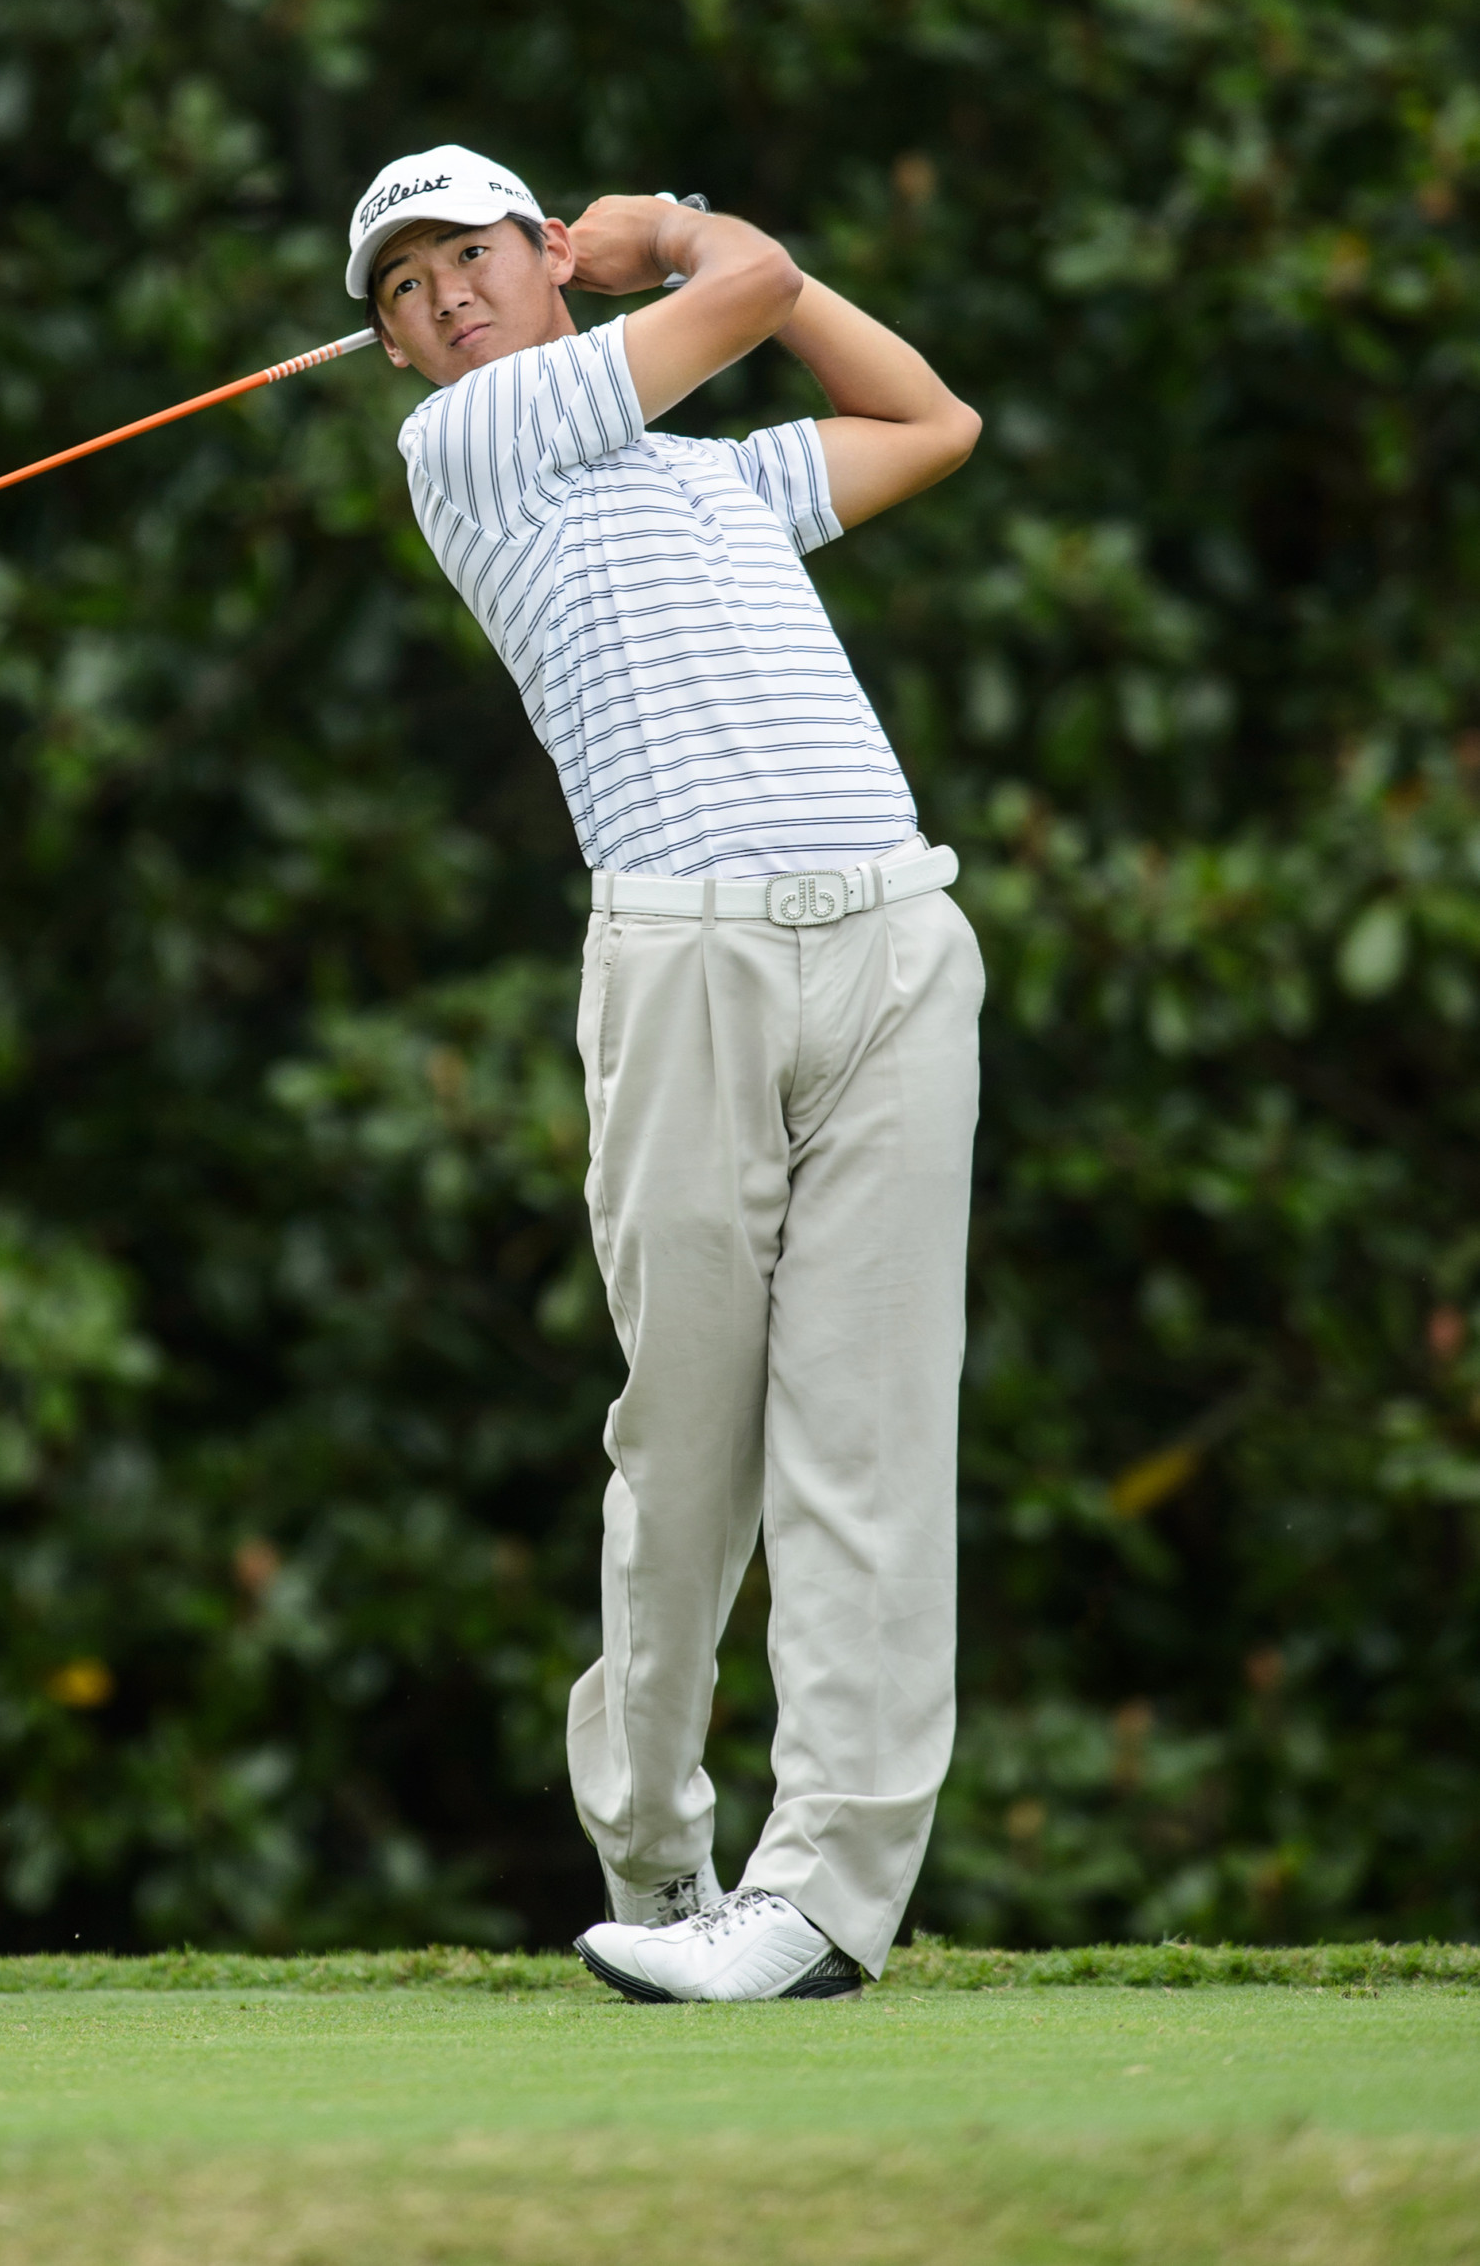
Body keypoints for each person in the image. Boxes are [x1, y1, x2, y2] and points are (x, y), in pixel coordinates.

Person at [347, 146, 984, 2003]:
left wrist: (688, 260)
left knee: (867, 1441)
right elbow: (756, 282)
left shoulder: (712, 484)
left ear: (542, 264)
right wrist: (677, 242)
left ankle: (822, 1908)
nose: (444, 295)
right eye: (403, 286)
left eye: (473, 252)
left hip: (889, 938)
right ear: (388, 347)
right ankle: (655, 1851)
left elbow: (930, 419)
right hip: (683, 959)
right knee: (685, 1438)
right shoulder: (461, 452)